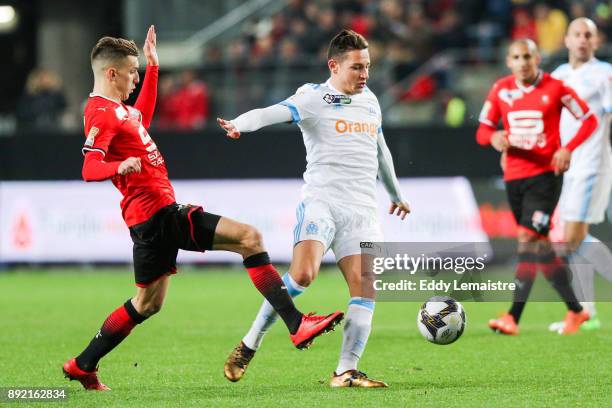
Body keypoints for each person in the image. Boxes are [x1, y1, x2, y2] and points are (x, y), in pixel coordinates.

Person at [62, 26, 343, 392]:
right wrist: (117, 166)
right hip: (160, 214)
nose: (137, 78)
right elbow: (88, 168)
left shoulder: (120, 111)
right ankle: (296, 323)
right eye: (133, 72)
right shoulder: (100, 113)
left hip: (147, 219)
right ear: (111, 73)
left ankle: (83, 364)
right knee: (249, 237)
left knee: (147, 303)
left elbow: (140, 119)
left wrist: (154, 67)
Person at [217, 29, 410, 388]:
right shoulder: (313, 98)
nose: (364, 74)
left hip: (363, 211)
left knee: (365, 287)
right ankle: (250, 343)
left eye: (367, 66)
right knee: (303, 275)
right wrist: (239, 125)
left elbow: (381, 150)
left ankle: (345, 371)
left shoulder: (370, 100)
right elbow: (268, 113)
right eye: (356, 67)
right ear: (333, 66)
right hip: (323, 203)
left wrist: (396, 194)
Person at [476, 39, 598, 336]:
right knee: (542, 249)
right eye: (516, 57)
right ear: (509, 61)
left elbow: (588, 120)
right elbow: (483, 130)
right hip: (514, 177)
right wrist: (495, 140)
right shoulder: (501, 89)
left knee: (526, 241)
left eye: (527, 56)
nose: (523, 62)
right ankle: (576, 311)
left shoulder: (556, 88)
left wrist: (567, 148)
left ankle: (512, 317)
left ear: (537, 58)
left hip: (545, 177)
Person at [548, 18, 612, 332]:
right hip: (567, 168)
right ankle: (587, 312)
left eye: (589, 35)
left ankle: (584, 311)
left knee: (571, 239)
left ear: (596, 42)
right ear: (567, 39)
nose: (583, 40)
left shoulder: (604, 74)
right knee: (571, 241)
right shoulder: (558, 75)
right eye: (578, 34)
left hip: (593, 163)